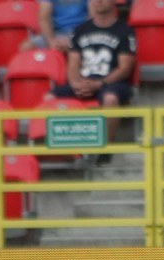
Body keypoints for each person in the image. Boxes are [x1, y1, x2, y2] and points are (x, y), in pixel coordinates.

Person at [46, 0, 135, 159]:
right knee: (49, 97)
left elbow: (125, 68)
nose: (98, 1)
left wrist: (99, 83)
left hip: (112, 84)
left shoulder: (124, 31)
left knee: (110, 99)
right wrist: (76, 84)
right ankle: (63, 151)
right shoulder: (80, 30)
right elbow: (73, 63)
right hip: (83, 82)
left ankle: (105, 150)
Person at [21, 0, 90, 53]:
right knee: (27, 47)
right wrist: (50, 41)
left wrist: (74, 40)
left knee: (74, 50)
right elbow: (44, 17)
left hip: (80, 33)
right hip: (55, 34)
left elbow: (92, 16)